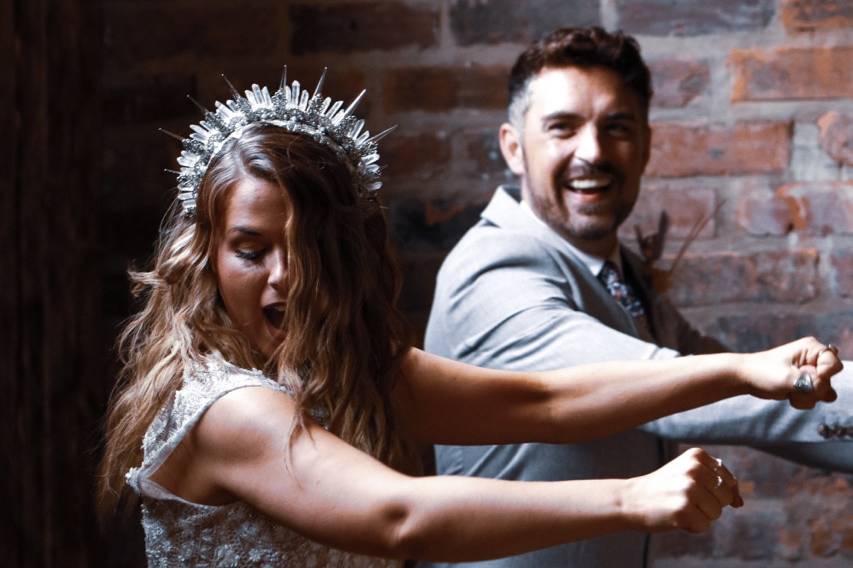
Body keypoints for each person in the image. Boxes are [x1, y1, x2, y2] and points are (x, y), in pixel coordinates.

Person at [98, 70, 843, 567]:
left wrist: (743, 369)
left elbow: (540, 401)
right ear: (207, 255)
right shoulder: (226, 409)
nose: (285, 277)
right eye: (251, 250)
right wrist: (631, 498)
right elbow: (401, 516)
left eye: (309, 249)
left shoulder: (349, 371)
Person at [424, 27, 853, 567]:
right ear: (513, 147)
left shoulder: (621, 275)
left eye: (617, 127)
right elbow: (675, 389)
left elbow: (758, 394)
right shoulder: (491, 269)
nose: (594, 152)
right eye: (562, 128)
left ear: (646, 145)